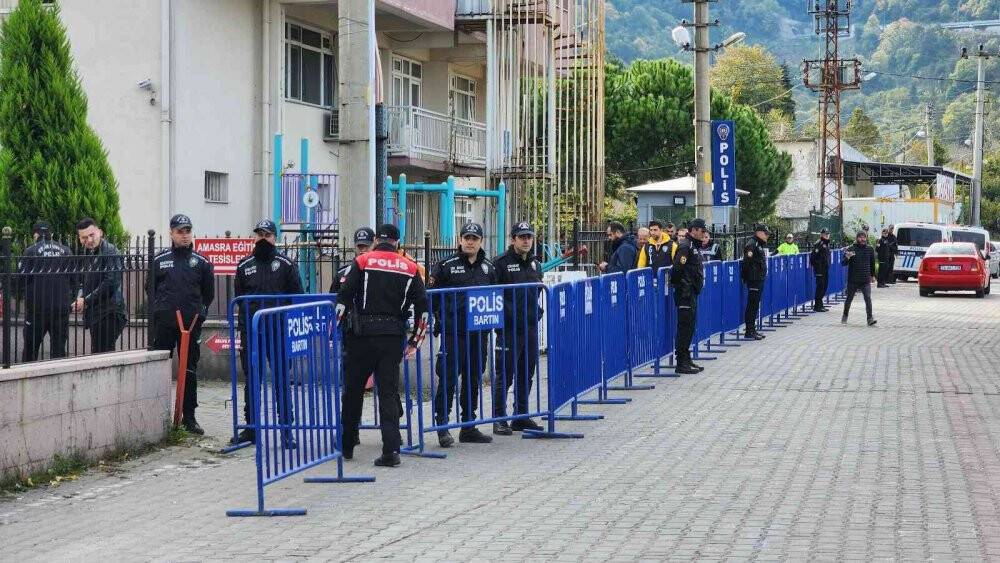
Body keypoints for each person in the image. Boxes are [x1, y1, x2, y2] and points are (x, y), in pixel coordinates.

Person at [336, 224, 428, 467]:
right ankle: (391, 450)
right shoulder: (410, 267)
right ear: (398, 242)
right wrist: (415, 341)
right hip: (392, 336)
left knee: (353, 390)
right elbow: (424, 308)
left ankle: (346, 445)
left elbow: (343, 298)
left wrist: (334, 331)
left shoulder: (363, 261)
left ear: (377, 240)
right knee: (388, 392)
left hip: (361, 336)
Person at [231, 219, 304, 446]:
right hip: (253, 333)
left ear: (276, 238)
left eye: (268, 235)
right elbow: (240, 300)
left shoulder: (286, 265)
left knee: (282, 380)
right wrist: (244, 328)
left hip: (279, 331)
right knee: (252, 380)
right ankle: (251, 428)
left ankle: (286, 429)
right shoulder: (244, 266)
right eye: (260, 234)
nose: (263, 239)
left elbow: (297, 297)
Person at [428, 222, 497, 447]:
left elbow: (495, 298)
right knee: (448, 379)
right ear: (460, 240)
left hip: (479, 334)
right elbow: (431, 297)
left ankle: (468, 425)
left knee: (473, 379)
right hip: (453, 333)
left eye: (474, 238)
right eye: (466, 237)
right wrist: (438, 319)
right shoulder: (446, 266)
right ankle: (442, 427)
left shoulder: (489, 267)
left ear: (481, 241)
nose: (470, 241)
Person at [149, 214, 215, 435]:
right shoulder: (159, 260)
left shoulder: (202, 262)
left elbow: (208, 294)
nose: (184, 235)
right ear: (171, 233)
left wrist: (200, 315)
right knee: (160, 367)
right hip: (165, 324)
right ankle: (158, 416)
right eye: (180, 231)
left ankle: (190, 417)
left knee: (189, 369)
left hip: (190, 325)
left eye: (187, 230)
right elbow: (151, 290)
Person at [491, 221, 544, 435]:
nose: (525, 240)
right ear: (513, 239)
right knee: (505, 374)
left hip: (530, 327)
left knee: (526, 374)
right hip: (509, 329)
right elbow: (494, 296)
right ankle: (499, 418)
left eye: (529, 237)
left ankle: (521, 416)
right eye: (521, 237)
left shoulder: (535, 263)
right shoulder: (500, 264)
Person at [17, 221, 74, 362]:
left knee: (30, 349)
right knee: (59, 350)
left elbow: (21, 279)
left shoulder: (30, 251)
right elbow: (74, 279)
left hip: (37, 309)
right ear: (52, 234)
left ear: (35, 234)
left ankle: (28, 377)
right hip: (61, 309)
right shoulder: (66, 251)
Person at [73, 218, 127, 353]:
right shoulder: (88, 253)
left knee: (103, 355)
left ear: (100, 232)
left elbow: (111, 283)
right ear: (79, 239)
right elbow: (84, 282)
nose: (89, 240)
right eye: (84, 237)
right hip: (97, 312)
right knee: (99, 353)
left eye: (92, 235)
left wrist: (86, 300)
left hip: (110, 312)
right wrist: (80, 299)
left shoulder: (109, 251)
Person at [671, 218, 707, 375]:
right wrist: (682, 287)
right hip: (684, 292)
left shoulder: (693, 246)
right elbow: (677, 270)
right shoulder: (686, 246)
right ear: (694, 230)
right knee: (684, 327)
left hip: (691, 291)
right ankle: (681, 362)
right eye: (702, 230)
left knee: (690, 326)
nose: (704, 233)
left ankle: (686, 358)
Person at [842, 230, 877, 326]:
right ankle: (845, 316)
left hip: (865, 279)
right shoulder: (851, 249)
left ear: (866, 238)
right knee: (849, 298)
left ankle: (870, 319)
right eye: (860, 237)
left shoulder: (870, 249)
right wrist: (847, 257)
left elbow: (872, 263)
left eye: (864, 237)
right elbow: (843, 263)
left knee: (868, 298)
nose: (862, 239)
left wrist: (873, 275)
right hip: (853, 279)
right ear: (857, 238)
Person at [741, 224, 769, 340]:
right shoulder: (752, 244)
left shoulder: (758, 244)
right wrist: (747, 277)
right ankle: (749, 330)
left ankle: (752, 329)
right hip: (753, 279)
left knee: (755, 305)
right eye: (765, 233)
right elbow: (746, 262)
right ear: (759, 232)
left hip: (758, 278)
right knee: (752, 305)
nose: (767, 236)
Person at [330, 227, 375, 293]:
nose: (363, 250)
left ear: (374, 246)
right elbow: (333, 297)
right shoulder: (342, 273)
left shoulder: (378, 272)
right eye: (360, 246)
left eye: (367, 246)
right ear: (354, 247)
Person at [809, 228, 832, 312]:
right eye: (825, 234)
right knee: (820, 287)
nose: (827, 235)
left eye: (828, 234)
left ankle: (820, 304)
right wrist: (818, 267)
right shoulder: (819, 243)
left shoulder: (827, 244)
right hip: (820, 270)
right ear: (821, 235)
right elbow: (813, 257)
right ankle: (817, 306)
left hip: (825, 269)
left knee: (824, 287)